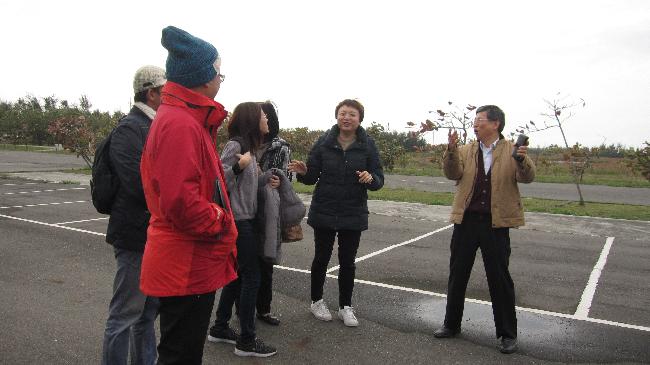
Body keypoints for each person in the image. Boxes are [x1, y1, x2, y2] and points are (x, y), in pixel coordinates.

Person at [139, 26, 237, 365]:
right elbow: (181, 203)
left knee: (181, 351)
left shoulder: (186, 119)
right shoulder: (181, 123)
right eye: (218, 73)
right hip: (186, 264)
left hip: (187, 261)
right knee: (180, 355)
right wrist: (221, 219)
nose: (220, 80)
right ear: (202, 77)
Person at [433, 105, 536, 354]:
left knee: (499, 280)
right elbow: (452, 173)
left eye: (480, 120)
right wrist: (450, 150)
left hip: (496, 224)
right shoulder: (466, 150)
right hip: (466, 221)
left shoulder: (513, 149)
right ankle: (451, 324)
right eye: (475, 120)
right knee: (458, 275)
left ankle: (507, 334)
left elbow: (528, 177)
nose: (475, 124)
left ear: (496, 124)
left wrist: (522, 160)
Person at [289, 99, 384, 327]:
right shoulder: (324, 142)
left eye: (352, 114)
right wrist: (304, 172)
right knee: (321, 258)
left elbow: (378, 178)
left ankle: (345, 307)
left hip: (353, 210)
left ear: (360, 119)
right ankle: (316, 301)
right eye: (343, 113)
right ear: (337, 116)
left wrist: (371, 179)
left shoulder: (367, 145)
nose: (347, 117)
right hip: (325, 209)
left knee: (348, 262)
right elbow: (311, 177)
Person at [101, 65, 165, 365]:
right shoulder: (131, 127)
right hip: (135, 236)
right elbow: (138, 182)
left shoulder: (151, 126)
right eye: (165, 92)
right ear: (151, 93)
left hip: (151, 234)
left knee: (147, 314)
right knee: (125, 315)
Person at [208, 102, 279, 358]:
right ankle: (246, 340)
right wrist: (239, 166)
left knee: (238, 276)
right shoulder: (236, 146)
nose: (267, 120)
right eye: (263, 116)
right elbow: (219, 180)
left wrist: (265, 178)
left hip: (245, 219)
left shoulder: (250, 149)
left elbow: (244, 186)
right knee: (252, 277)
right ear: (252, 119)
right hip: (238, 221)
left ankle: (219, 327)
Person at [255, 101, 290, 326]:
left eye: (266, 116)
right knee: (244, 263)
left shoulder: (280, 147)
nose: (264, 120)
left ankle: (264, 309)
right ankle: (242, 307)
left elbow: (282, 177)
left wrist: (280, 179)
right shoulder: (243, 143)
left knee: (266, 261)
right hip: (246, 208)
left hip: (268, 209)